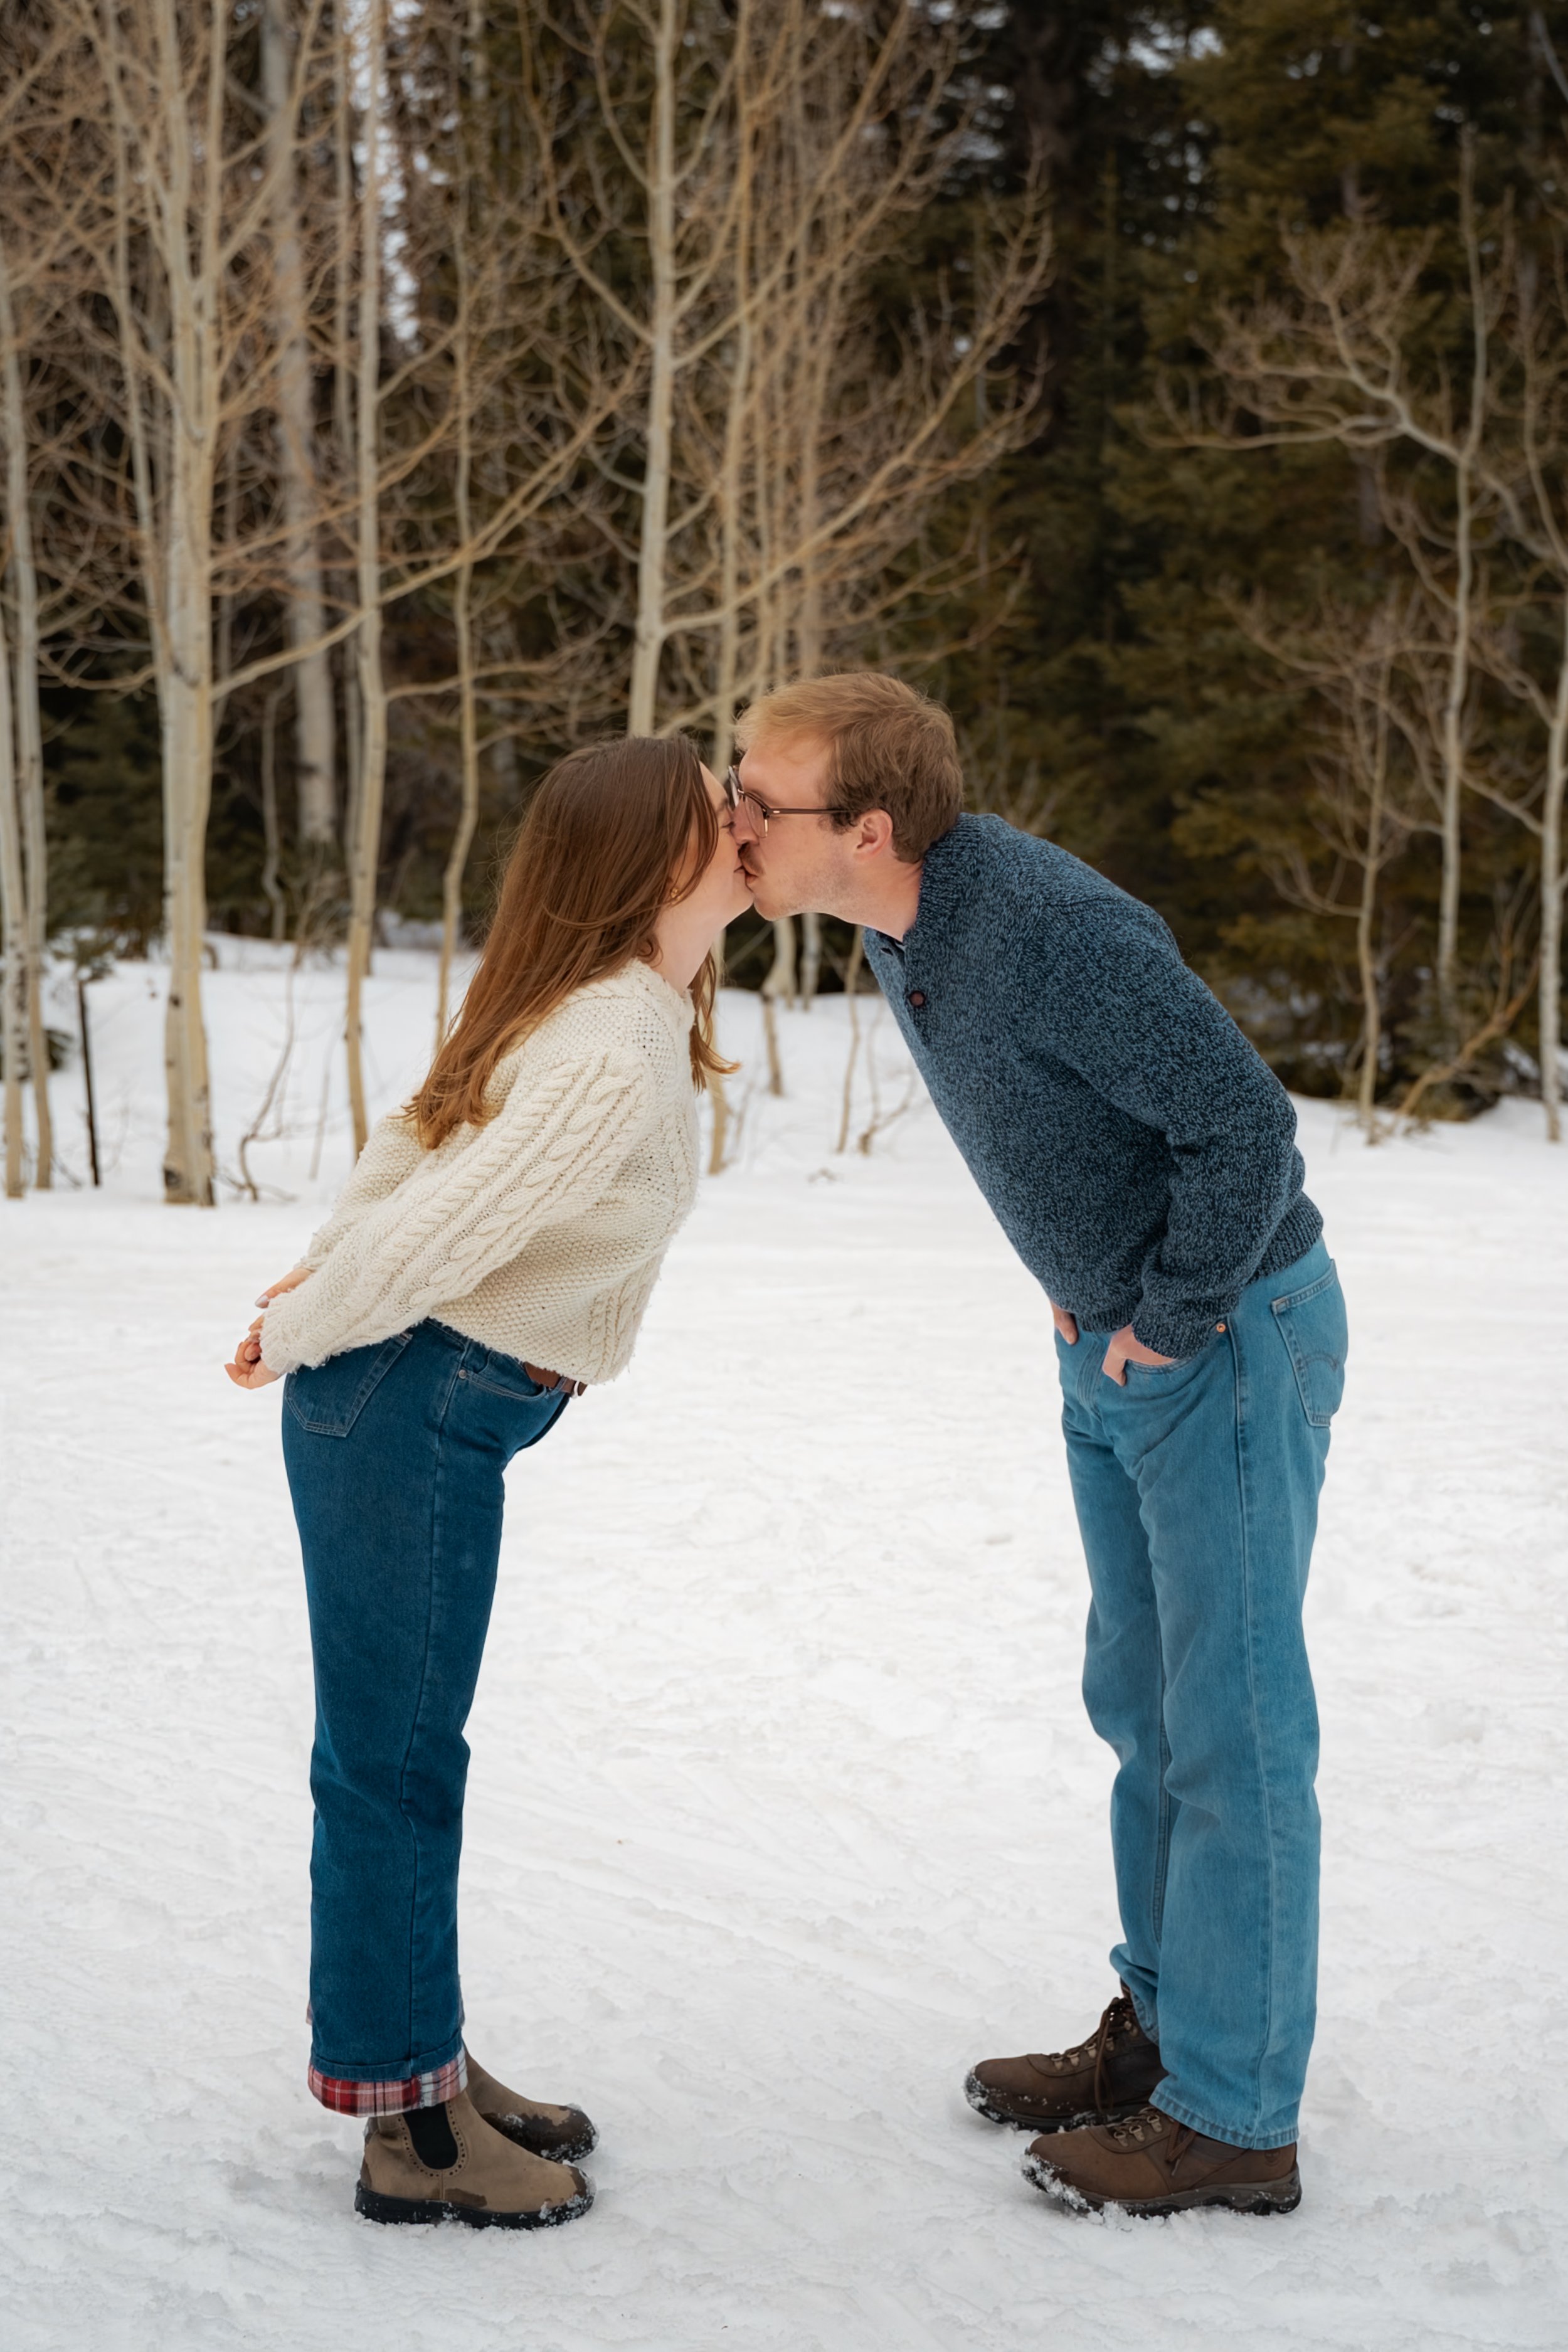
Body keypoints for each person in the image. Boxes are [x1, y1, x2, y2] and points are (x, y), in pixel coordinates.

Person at [730, 671, 1346, 2220]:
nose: (730, 818)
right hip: (1116, 1340)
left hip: (1222, 1341)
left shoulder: (1053, 935)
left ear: (865, 830)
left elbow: (1243, 1125)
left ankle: (1234, 2120)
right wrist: (1091, 1302)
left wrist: (1171, 1313)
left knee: (1232, 1729)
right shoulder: (891, 917)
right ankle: (1161, 2036)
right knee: (1139, 1705)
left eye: (757, 800)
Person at [226, 736, 750, 2230]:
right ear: (655, 857)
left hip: (423, 1397)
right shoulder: (610, 1038)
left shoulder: (608, 1012)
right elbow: (437, 1220)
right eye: (725, 811)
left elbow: (409, 1152)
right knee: (391, 1763)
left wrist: (326, 1279)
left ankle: (425, 2066)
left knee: (406, 1754)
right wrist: (303, 1320)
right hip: (405, 1399)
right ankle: (411, 2134)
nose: (749, 822)